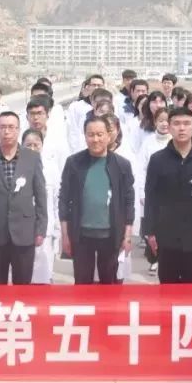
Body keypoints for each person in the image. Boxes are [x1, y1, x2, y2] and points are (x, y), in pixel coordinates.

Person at [143, 107, 192, 284]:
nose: (182, 128)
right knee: (167, 284)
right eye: (177, 124)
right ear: (170, 128)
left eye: (186, 123)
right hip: (166, 234)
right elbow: (151, 198)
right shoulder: (158, 159)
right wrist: (150, 231)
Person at [58, 116, 136, 285]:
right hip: (81, 235)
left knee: (109, 284)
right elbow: (63, 199)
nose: (95, 139)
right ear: (85, 136)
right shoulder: (73, 163)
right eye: (90, 134)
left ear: (109, 135)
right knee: (82, 283)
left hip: (111, 235)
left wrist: (128, 236)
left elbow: (129, 202)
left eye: (100, 134)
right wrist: (65, 235)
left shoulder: (122, 165)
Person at [0, 112, 48, 285]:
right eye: (2, 127)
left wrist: (41, 229)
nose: (7, 131)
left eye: (11, 127)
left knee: (23, 286)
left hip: (25, 232)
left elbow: (40, 196)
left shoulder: (32, 158)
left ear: (18, 130)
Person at [21, 130, 61, 284]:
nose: (32, 148)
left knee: (43, 278)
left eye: (36, 145)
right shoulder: (15, 166)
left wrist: (57, 231)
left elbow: (57, 201)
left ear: (42, 146)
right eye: (28, 145)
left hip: (45, 231)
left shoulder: (51, 168)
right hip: (20, 231)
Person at [135, 107, 171, 273]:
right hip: (153, 191)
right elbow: (141, 169)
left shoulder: (176, 140)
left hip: (172, 192)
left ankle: (167, 258)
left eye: (167, 120)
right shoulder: (148, 142)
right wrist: (142, 192)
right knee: (154, 226)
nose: (164, 124)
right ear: (155, 122)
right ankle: (154, 258)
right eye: (161, 120)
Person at [68, 75, 105, 152]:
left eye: (99, 85)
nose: (96, 88)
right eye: (94, 85)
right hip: (81, 149)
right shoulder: (76, 107)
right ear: (88, 87)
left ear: (104, 87)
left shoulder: (109, 106)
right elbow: (72, 131)